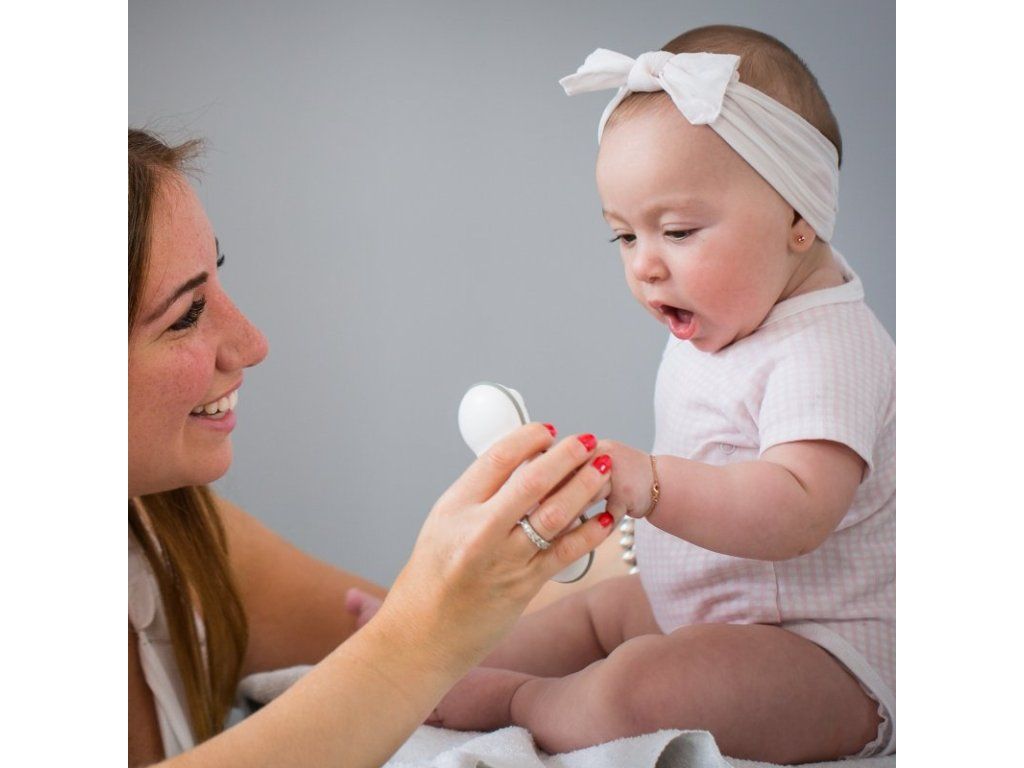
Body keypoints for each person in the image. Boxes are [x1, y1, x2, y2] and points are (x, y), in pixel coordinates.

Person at [367, 25, 895, 763]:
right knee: (596, 613)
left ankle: (516, 701)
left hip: (824, 655)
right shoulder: (726, 318)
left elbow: (799, 510)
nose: (645, 266)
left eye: (676, 231)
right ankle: (417, 658)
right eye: (624, 237)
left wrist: (648, 482)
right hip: (708, 611)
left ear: (799, 218)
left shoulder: (825, 347)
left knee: (641, 688)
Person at [127, 127, 620, 767]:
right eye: (187, 314)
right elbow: (408, 651)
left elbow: (480, 653)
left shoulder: (168, 540)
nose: (252, 344)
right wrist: (422, 634)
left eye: (216, 280)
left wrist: (650, 537)